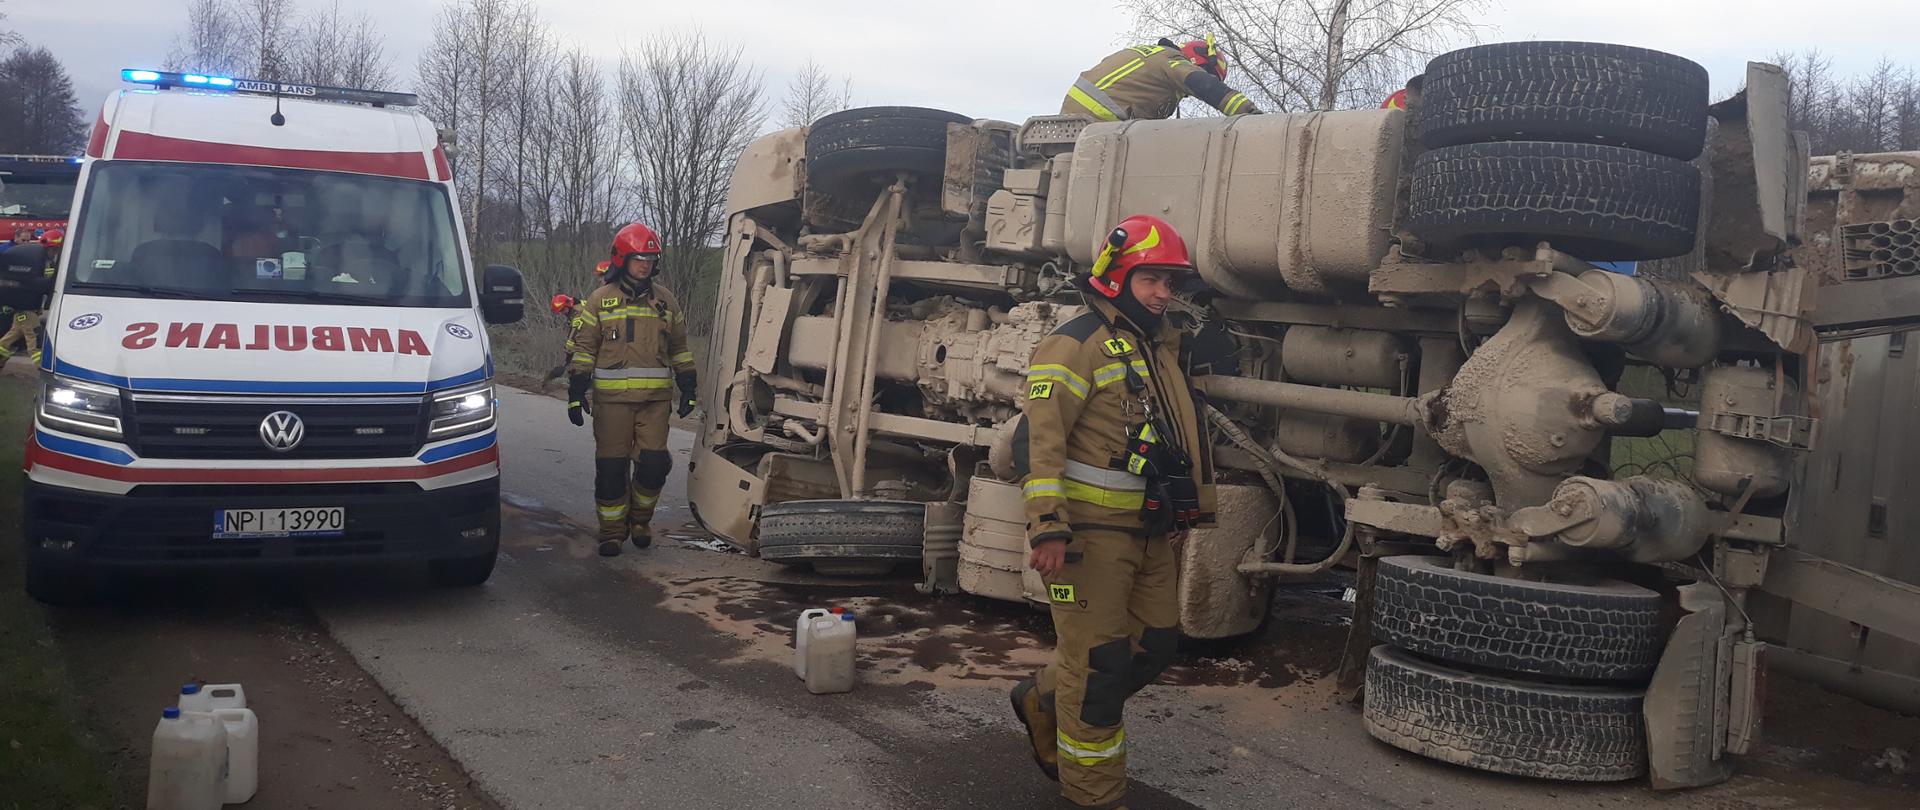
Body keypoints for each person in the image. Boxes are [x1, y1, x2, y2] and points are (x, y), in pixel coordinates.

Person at [1009, 214, 1217, 809]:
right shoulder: (1073, 342)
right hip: (1088, 537)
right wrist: (1048, 524)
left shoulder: (1154, 345)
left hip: (1149, 530)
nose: (1163, 293)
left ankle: (1044, 697)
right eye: (1152, 279)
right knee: (1099, 670)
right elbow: (1038, 440)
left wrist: (1183, 514)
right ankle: (1096, 796)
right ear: (1117, 275)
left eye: (1170, 283)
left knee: (1152, 645)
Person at [565, 224, 698, 557]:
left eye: (651, 259)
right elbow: (584, 349)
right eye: (640, 258)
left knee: (654, 465)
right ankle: (611, 532)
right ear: (622, 259)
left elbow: (680, 346)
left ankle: (640, 520)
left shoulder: (666, 301)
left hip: (655, 402)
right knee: (611, 469)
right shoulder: (600, 300)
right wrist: (576, 390)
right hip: (612, 404)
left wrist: (688, 384)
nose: (646, 265)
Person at [1061, 36, 1262, 122]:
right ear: (1197, 62)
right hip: (1099, 122)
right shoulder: (1172, 60)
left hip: (1070, 119)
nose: (1188, 96)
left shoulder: (1152, 57)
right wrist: (1250, 114)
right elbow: (1204, 86)